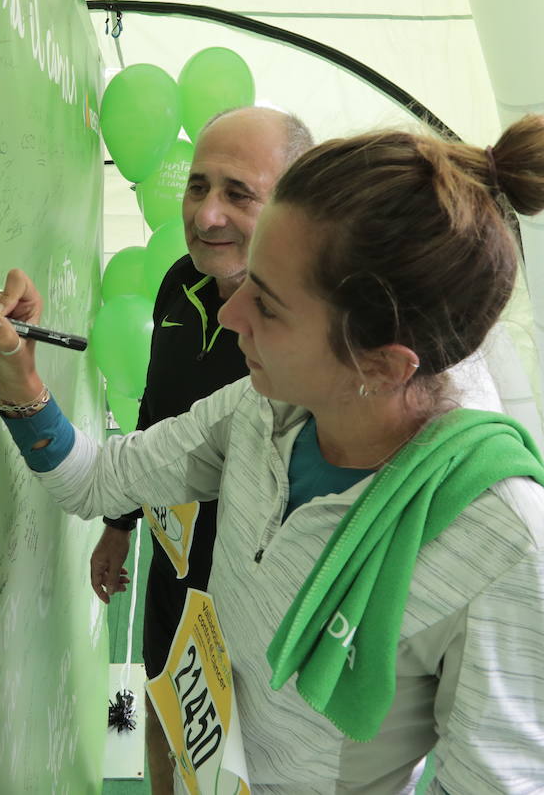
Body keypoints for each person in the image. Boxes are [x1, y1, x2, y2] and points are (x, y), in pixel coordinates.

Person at [0, 117, 544, 793]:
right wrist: (19, 383)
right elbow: (97, 481)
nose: (232, 318)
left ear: (381, 366)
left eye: (267, 305)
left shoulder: (512, 548)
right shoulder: (265, 409)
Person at [88, 105, 312, 794]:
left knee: (240, 769)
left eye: (238, 193)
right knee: (166, 724)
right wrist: (118, 528)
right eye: (197, 186)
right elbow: (154, 415)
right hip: (174, 569)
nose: (207, 214)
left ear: (296, 203)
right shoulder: (177, 283)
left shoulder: (322, 324)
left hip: (262, 596)